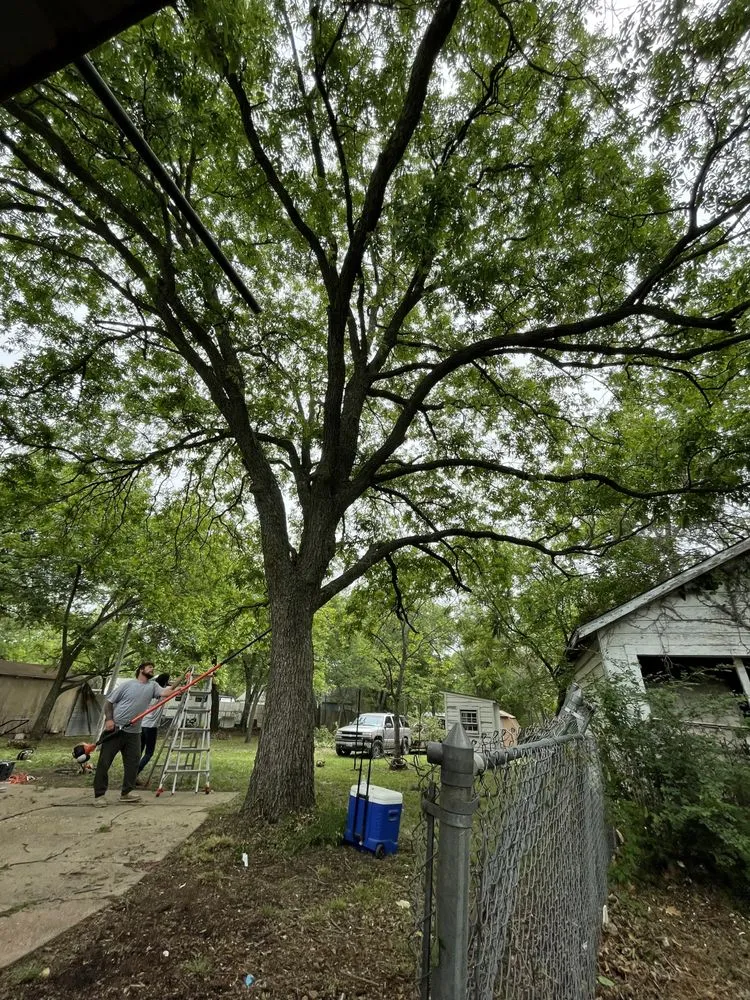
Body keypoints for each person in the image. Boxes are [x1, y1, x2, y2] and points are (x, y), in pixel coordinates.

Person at [93, 661, 175, 807]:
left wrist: (179, 688)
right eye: (149, 667)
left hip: (134, 732)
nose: (152, 670)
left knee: (133, 763)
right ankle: (99, 795)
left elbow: (165, 692)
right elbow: (109, 702)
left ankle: (126, 793)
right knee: (104, 762)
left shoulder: (153, 686)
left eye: (152, 668)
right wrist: (109, 720)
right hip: (116, 729)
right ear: (141, 669)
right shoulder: (128, 685)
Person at [136, 672, 170, 785]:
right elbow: (175, 687)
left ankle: (132, 775)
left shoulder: (149, 691)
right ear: (165, 682)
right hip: (151, 727)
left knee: (139, 752)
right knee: (149, 753)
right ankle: (135, 773)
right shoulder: (163, 693)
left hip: (141, 724)